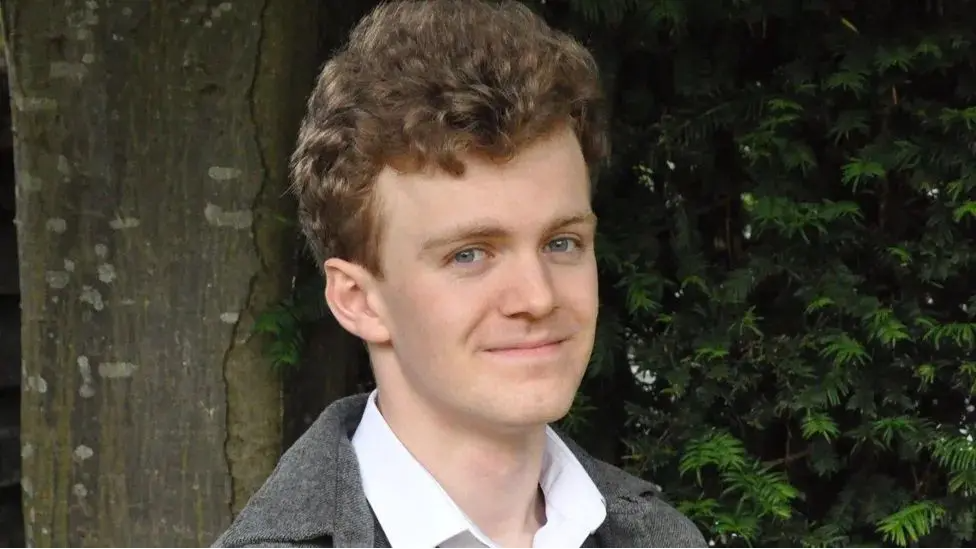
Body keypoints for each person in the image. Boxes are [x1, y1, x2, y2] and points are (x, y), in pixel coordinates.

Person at [211, 0, 707, 547]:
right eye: (469, 255)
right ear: (358, 299)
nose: (537, 298)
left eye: (561, 242)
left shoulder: (664, 537)